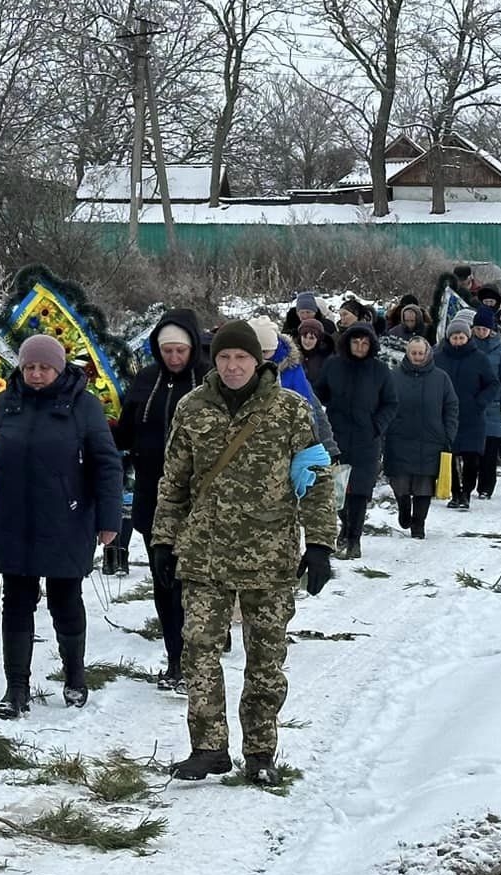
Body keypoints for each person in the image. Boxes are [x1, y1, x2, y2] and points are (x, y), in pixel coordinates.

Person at [153, 321, 336, 784]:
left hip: (269, 555)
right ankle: (209, 747)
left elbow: (316, 479)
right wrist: (163, 540)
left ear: (259, 361)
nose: (232, 367)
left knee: (265, 658)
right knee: (198, 650)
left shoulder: (290, 411)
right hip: (205, 555)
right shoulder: (192, 409)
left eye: (241, 358)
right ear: (212, 361)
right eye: (224, 358)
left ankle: (260, 753)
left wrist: (318, 544)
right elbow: (173, 482)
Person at [0, 334, 123, 719]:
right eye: (29, 366)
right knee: (16, 602)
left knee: (65, 600)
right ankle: (16, 689)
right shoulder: (5, 402)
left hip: (67, 516)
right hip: (12, 517)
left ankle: (75, 676)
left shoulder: (83, 406)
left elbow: (106, 462)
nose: (35, 374)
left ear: (59, 369)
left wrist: (108, 519)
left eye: (44, 367)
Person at [113, 310, 210, 689]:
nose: (173, 357)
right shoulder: (146, 380)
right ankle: (176, 659)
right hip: (152, 496)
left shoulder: (207, 381)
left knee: (195, 582)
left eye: (180, 350)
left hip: (199, 500)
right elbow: (125, 430)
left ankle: (198, 653)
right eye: (167, 350)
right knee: (164, 578)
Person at [314, 322, 396, 559]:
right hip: (337, 436)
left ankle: (354, 538)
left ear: (370, 345)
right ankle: (344, 528)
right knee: (339, 490)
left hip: (366, 439)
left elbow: (391, 402)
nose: (359, 346)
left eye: (364, 343)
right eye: (355, 342)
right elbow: (319, 392)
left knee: (359, 491)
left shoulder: (380, 370)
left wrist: (377, 426)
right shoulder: (333, 365)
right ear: (347, 343)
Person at [385, 336, 456, 540]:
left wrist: (448, 433)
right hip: (399, 438)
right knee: (400, 481)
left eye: (420, 353)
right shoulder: (394, 376)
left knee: (424, 485)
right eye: (413, 353)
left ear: (427, 353)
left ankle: (419, 524)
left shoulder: (441, 378)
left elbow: (451, 406)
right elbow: (385, 404)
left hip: (431, 438)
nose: (417, 357)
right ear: (407, 354)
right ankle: (403, 506)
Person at [436, 321, 500, 513]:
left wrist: (479, 402)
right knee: (450, 455)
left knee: (472, 457)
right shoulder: (438, 358)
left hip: (472, 416)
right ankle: (456, 494)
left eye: (461, 337)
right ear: (449, 338)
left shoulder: (479, 358)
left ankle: (467, 491)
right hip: (446, 416)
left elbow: (492, 384)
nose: (457, 341)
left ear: (467, 338)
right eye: (454, 337)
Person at [468, 307, 501, 500]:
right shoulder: (468, 347)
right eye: (477, 328)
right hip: (472, 404)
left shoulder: (500, 350)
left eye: (484, 329)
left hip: (495, 405)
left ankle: (486, 486)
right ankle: (469, 484)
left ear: (491, 329)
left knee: (490, 449)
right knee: (473, 450)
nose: (481, 332)